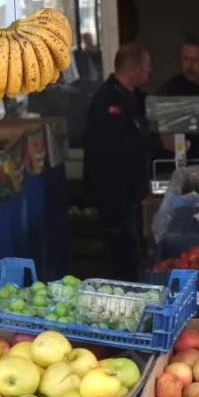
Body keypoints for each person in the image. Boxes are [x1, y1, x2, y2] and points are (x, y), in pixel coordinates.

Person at [83, 43, 157, 282]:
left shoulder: (132, 98)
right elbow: (117, 147)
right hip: (114, 195)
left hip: (131, 193)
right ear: (134, 68)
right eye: (146, 67)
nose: (150, 72)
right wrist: (156, 144)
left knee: (133, 251)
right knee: (124, 255)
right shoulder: (108, 102)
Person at [157, 34, 199, 164]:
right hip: (188, 167)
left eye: (196, 60)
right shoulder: (171, 91)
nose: (189, 66)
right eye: (185, 59)